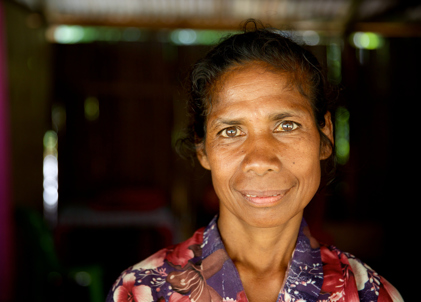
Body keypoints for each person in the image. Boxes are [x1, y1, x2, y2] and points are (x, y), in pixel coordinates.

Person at [105, 20, 403, 302]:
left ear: (325, 136)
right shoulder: (144, 291)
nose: (260, 161)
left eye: (287, 125)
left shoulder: (368, 294)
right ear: (203, 149)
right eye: (231, 131)